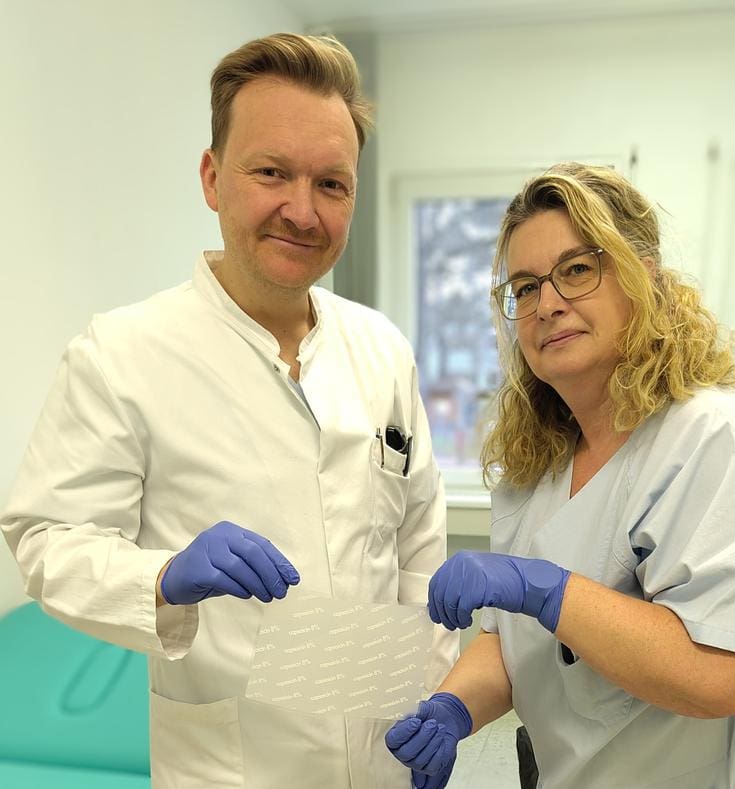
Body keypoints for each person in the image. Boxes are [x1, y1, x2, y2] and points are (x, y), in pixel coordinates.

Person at [1, 33, 457, 789]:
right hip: (232, 766)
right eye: (271, 172)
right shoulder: (122, 353)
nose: (302, 211)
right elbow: (46, 541)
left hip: (385, 759)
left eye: (332, 184)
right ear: (213, 178)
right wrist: (162, 577)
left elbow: (419, 550)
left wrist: (435, 695)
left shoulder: (382, 349)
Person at [385, 162, 735, 788]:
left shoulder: (717, 436)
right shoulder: (534, 468)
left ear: (644, 277)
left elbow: (726, 670)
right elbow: (511, 644)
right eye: (525, 288)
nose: (547, 304)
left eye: (577, 270)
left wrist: (547, 589)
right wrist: (453, 708)